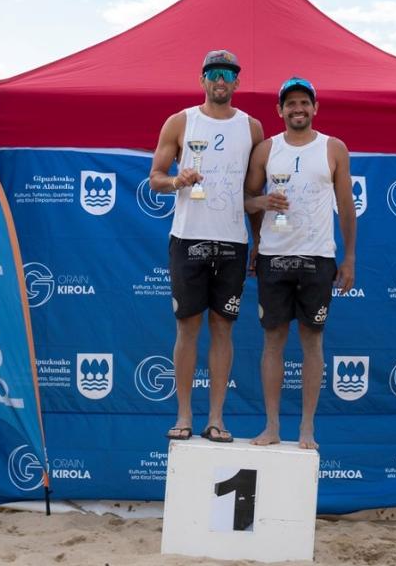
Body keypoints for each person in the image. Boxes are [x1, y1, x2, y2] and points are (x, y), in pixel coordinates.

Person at [149, 50, 264, 443]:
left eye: (228, 74)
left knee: (223, 330)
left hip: (233, 240)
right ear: (202, 80)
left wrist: (259, 238)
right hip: (188, 237)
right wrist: (177, 180)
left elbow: (254, 190)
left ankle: (216, 418)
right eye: (214, 73)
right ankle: (183, 415)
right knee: (187, 329)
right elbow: (155, 179)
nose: (220, 80)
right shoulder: (180, 121)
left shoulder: (253, 128)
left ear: (236, 82)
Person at [243, 77, 356, 450]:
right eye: (290, 103)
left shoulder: (334, 148)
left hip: (318, 258)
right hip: (275, 257)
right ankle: (272, 426)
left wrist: (350, 256)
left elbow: (347, 206)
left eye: (304, 103)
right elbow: (246, 200)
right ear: (280, 110)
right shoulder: (265, 149)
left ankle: (307, 428)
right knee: (272, 342)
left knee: (313, 343)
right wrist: (261, 218)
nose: (297, 109)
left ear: (315, 108)